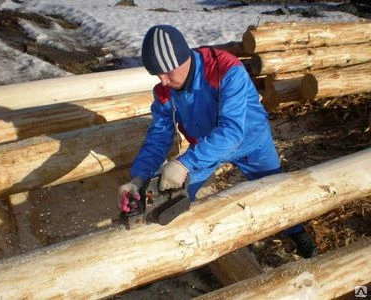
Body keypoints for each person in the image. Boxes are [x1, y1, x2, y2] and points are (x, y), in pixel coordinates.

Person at [118, 25, 317, 258]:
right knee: (166, 200)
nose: (162, 81)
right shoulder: (165, 91)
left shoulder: (226, 70)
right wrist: (140, 177)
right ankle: (155, 253)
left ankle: (296, 231)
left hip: (251, 141)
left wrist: (184, 164)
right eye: (156, 74)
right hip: (206, 147)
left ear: (184, 59)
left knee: (276, 190)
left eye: (167, 72)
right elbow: (159, 136)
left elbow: (232, 131)